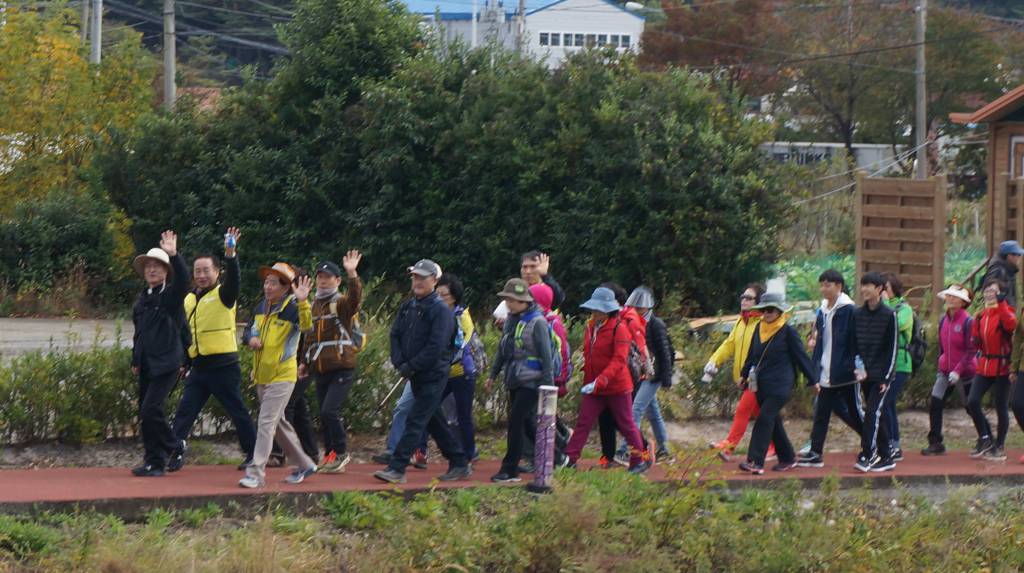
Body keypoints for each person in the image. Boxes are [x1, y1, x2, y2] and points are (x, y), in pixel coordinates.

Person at [374, 260, 472, 484]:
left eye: (422, 277)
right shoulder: (408, 306)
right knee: (432, 420)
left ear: (434, 280)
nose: (417, 281)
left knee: (416, 420)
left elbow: (436, 346)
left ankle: (397, 468)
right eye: (414, 277)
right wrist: (400, 361)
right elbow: (395, 334)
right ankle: (458, 462)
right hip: (415, 373)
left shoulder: (441, 311)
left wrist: (412, 365)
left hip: (433, 374)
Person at [168, 227, 257, 472]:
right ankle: (175, 451)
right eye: (197, 271)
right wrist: (184, 361)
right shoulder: (188, 299)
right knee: (185, 411)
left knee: (236, 410)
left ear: (217, 272)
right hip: (199, 367)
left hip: (223, 365)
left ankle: (253, 453)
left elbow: (235, 280)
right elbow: (186, 334)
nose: (201, 275)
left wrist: (231, 255)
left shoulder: (224, 294)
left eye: (207, 270)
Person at [238, 262, 318, 488]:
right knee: (278, 423)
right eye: (266, 281)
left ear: (286, 287)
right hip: (262, 375)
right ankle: (305, 464)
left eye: (273, 282)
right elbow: (249, 331)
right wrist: (250, 339)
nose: (268, 286)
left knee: (265, 422)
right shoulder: (261, 307)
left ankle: (255, 473)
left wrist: (303, 301)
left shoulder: (292, 308)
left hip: (283, 375)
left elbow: (307, 327)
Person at [563, 287, 651, 474]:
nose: (595, 312)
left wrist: (600, 380)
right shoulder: (590, 327)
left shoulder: (620, 329)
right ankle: (570, 459)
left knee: (626, 425)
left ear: (609, 309)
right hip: (595, 387)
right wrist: (586, 374)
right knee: (584, 422)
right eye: (593, 308)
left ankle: (638, 460)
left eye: (599, 309)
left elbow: (619, 360)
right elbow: (589, 354)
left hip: (617, 387)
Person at [130, 231, 190, 477]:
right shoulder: (142, 300)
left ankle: (176, 445)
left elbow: (184, 282)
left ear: (166, 272)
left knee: (151, 409)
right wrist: (135, 359)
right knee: (145, 414)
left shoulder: (171, 298)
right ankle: (154, 462)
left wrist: (174, 255)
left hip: (167, 363)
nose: (152, 270)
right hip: (146, 364)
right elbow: (139, 334)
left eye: (157, 267)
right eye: (148, 267)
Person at [737, 293, 816, 475]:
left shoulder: (788, 331)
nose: (767, 313)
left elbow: (801, 357)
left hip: (781, 384)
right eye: (764, 310)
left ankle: (755, 461)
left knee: (764, 418)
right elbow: (752, 355)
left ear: (779, 311)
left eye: (771, 310)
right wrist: (743, 375)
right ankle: (788, 457)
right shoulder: (758, 329)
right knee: (773, 421)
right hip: (761, 385)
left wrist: (813, 380)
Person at [299, 251, 363, 474]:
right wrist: (304, 363)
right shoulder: (314, 304)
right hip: (320, 367)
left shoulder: (341, 303)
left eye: (328, 276)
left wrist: (352, 274)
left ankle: (342, 453)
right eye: (320, 276)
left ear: (337, 280)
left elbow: (355, 300)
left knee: (329, 411)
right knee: (323, 415)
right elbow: (309, 335)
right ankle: (330, 455)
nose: (323, 280)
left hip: (342, 366)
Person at [486, 279, 554, 482]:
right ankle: (555, 456)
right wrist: (492, 375)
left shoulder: (538, 322)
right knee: (526, 422)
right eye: (507, 299)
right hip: (514, 380)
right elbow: (502, 349)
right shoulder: (511, 320)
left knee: (515, 421)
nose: (508, 303)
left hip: (532, 383)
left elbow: (546, 356)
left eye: (512, 300)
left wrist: (548, 387)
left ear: (524, 301)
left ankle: (509, 469)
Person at [797, 269, 862, 468]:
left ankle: (875, 444)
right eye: (822, 284)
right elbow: (819, 342)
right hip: (826, 372)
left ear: (839, 286)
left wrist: (856, 366)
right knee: (821, 413)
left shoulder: (850, 310)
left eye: (828, 285)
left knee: (855, 412)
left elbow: (857, 341)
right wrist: (815, 372)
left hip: (846, 373)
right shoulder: (823, 310)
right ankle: (816, 453)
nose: (824, 289)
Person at [704, 284, 777, 461]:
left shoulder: (762, 324)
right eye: (742, 296)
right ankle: (774, 446)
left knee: (743, 410)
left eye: (748, 297)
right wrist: (714, 361)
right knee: (761, 414)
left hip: (758, 379)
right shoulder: (741, 322)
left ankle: (729, 447)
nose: (743, 300)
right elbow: (728, 344)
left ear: (758, 302)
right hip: (746, 379)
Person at [615, 286, 674, 462]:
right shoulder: (630, 322)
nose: (636, 310)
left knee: (636, 410)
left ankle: (625, 449)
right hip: (640, 374)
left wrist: (666, 378)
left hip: (653, 374)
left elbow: (665, 352)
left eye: (639, 308)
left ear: (649, 307)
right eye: (633, 307)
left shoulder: (656, 325)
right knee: (653, 412)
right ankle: (664, 449)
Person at [922, 284, 979, 455]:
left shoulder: (968, 321)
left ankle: (985, 437)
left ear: (963, 302)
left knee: (970, 406)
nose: (950, 299)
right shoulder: (943, 320)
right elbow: (942, 347)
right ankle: (935, 442)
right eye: (948, 295)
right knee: (936, 402)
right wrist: (942, 362)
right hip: (945, 371)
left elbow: (972, 350)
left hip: (966, 372)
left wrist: (958, 370)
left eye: (955, 296)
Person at [597, 282, 649, 468]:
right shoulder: (602, 319)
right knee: (605, 418)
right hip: (607, 377)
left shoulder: (628, 319)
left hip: (625, 379)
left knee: (622, 419)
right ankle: (607, 458)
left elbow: (638, 349)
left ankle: (643, 450)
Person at [852, 272, 899, 473]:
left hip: (882, 377)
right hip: (863, 375)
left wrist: (886, 378)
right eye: (862, 286)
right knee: (874, 414)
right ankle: (887, 456)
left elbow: (893, 348)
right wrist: (856, 367)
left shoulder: (890, 315)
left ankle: (868, 455)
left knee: (872, 413)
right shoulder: (857, 314)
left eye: (868, 285)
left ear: (879, 289)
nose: (864, 290)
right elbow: (854, 345)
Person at [967, 278, 1016, 461]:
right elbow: (977, 339)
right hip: (984, 365)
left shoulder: (1006, 312)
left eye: (993, 291)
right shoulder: (980, 316)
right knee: (972, 402)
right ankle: (985, 437)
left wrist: (1002, 303)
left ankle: (1000, 445)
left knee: (1000, 406)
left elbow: (1011, 325)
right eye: (987, 291)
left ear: (1001, 293)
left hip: (1002, 367)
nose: (989, 294)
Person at [881, 273, 913, 461]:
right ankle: (892, 443)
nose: (883, 291)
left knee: (886, 402)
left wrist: (884, 304)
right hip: (885, 363)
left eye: (886, 287)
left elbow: (896, 324)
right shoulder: (881, 307)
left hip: (900, 363)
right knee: (888, 404)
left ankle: (894, 444)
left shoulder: (904, 308)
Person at [981, 240, 1023, 308]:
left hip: (1007, 313)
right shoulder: (998, 270)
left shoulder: (1008, 268)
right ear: (1009, 255)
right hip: (1001, 315)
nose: (1019, 257)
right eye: (1018, 254)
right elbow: (990, 292)